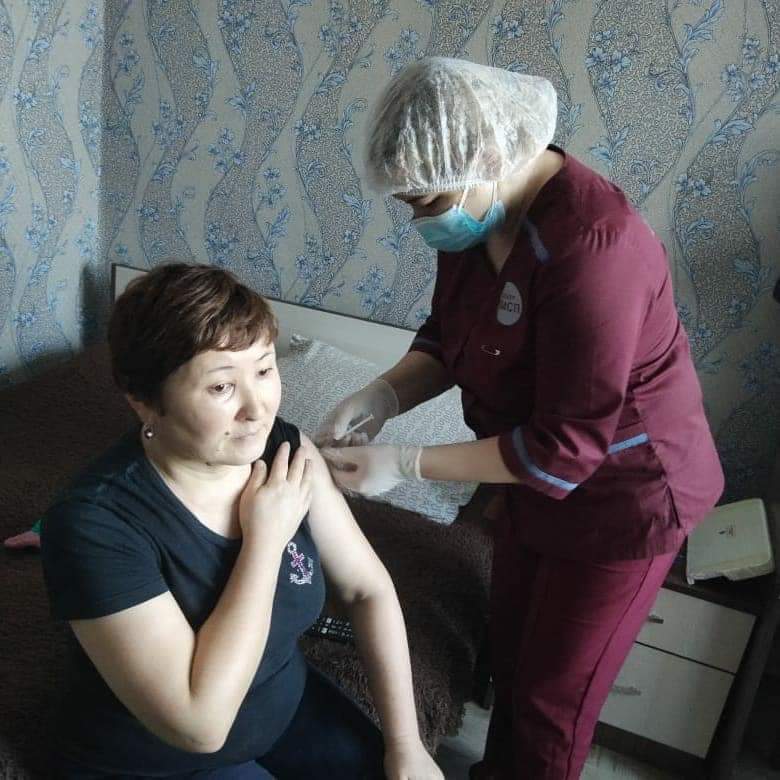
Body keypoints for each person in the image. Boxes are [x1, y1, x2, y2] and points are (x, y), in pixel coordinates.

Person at [316, 57, 725, 780]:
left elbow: (566, 447)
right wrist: (383, 395)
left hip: (625, 495)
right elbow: (453, 334)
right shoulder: (482, 216)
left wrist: (407, 464)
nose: (418, 218)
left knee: (549, 702)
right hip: (529, 475)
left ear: (483, 157)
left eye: (424, 198)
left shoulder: (594, 249)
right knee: (512, 658)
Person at [40, 263, 443, 780]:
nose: (257, 409)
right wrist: (264, 541)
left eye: (264, 370)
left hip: (282, 709)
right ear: (144, 402)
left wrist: (406, 746)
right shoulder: (93, 525)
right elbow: (199, 726)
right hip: (160, 763)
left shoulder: (284, 451)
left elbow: (367, 590)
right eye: (220, 387)